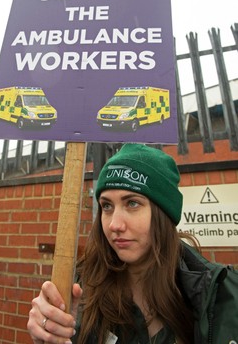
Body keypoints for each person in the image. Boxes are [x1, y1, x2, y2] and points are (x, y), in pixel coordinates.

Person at [27, 143, 238, 344]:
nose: (114, 225)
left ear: (163, 213)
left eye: (133, 203)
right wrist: (53, 334)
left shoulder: (220, 296)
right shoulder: (80, 290)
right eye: (107, 206)